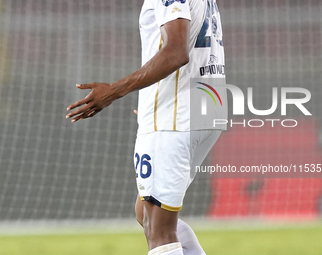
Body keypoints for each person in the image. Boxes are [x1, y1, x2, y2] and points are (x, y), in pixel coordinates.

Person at [66, 0, 226, 254]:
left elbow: (176, 52)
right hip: (202, 110)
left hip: (175, 118)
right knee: (145, 212)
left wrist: (114, 91)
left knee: (159, 231)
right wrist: (154, 99)